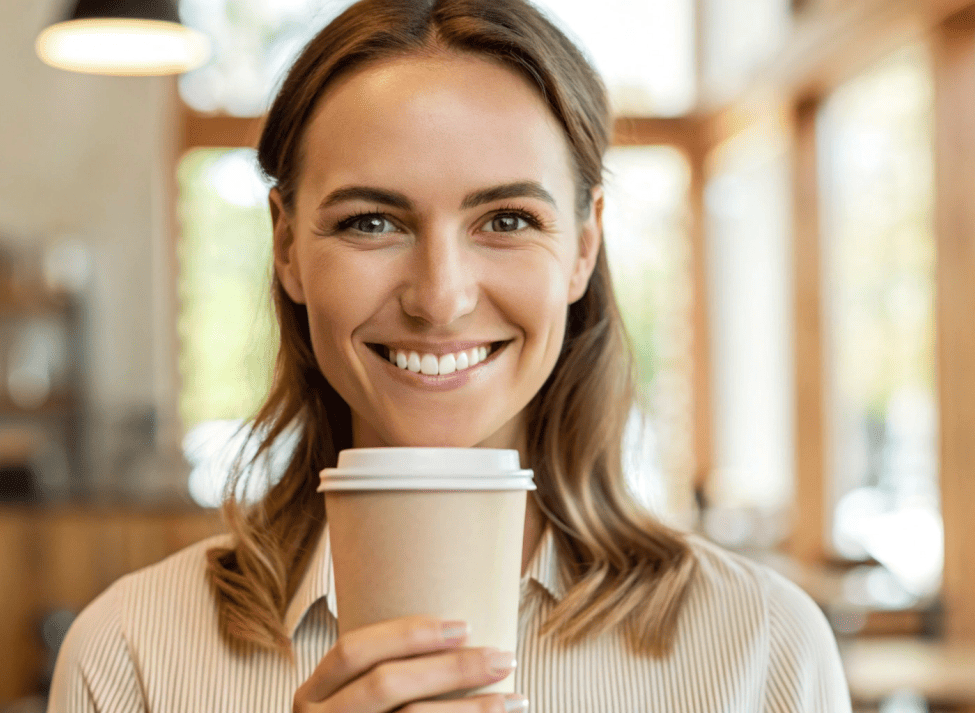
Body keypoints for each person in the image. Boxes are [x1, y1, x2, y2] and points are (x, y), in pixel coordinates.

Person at [49, 1, 852, 711]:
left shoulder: (762, 649)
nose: (440, 297)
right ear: (287, 246)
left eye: (505, 220)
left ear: (583, 247)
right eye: (372, 221)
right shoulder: (133, 655)